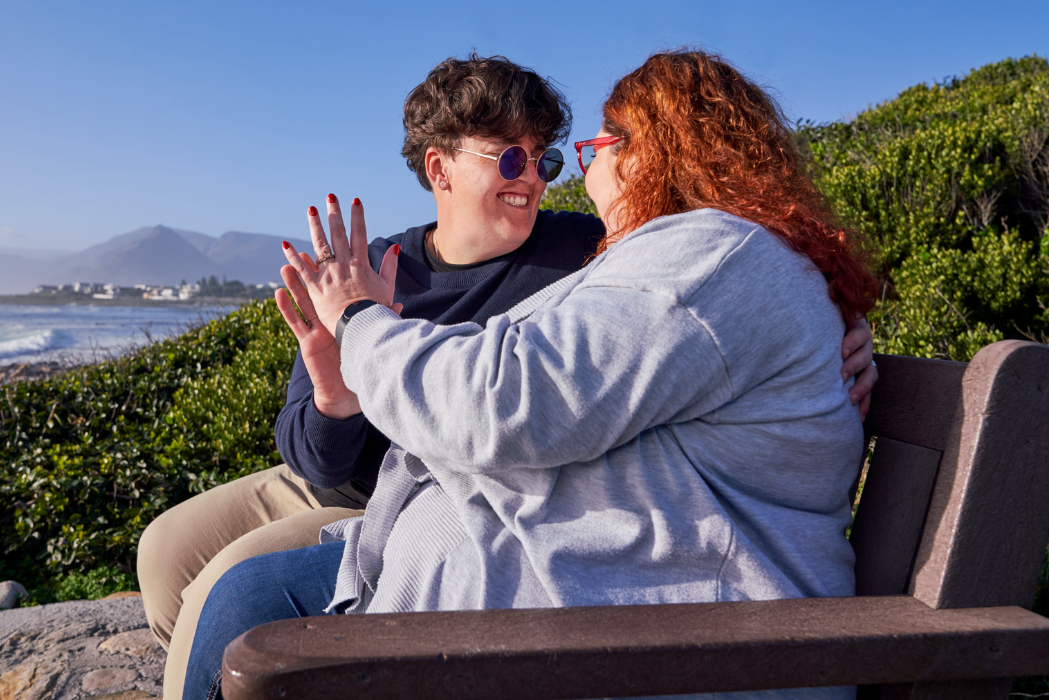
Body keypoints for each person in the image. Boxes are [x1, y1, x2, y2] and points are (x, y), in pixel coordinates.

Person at [146, 54, 879, 698]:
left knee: (242, 594)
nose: (544, 178)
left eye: (561, 156)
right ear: (439, 169)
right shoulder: (393, 265)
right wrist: (339, 393)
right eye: (509, 160)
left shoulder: (649, 251)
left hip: (566, 561)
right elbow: (323, 452)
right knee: (169, 553)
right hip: (377, 473)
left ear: (657, 154)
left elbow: (526, 391)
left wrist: (848, 326)